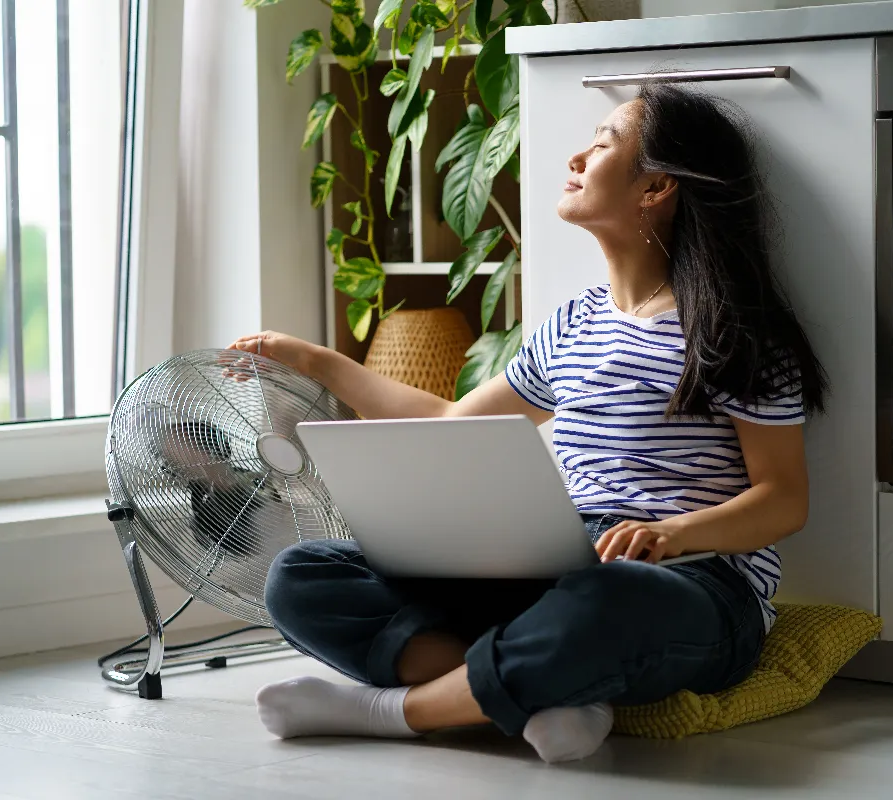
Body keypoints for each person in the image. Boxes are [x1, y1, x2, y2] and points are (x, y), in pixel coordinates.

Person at [227, 83, 827, 764]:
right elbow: (450, 420)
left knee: (609, 599)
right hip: (555, 567)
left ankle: (394, 711)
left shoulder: (735, 332)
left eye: (602, 144)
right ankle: (550, 694)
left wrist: (669, 533)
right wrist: (317, 361)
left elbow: (783, 500)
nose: (576, 156)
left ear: (655, 186)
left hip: (692, 581)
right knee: (303, 574)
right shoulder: (573, 325)